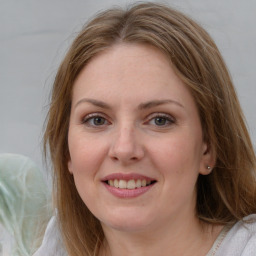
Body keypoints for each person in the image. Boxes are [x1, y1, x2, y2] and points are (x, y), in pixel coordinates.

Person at [34, 2, 256, 256]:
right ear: (66, 151)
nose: (125, 148)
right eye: (97, 120)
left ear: (208, 147)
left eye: (160, 120)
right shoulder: (58, 245)